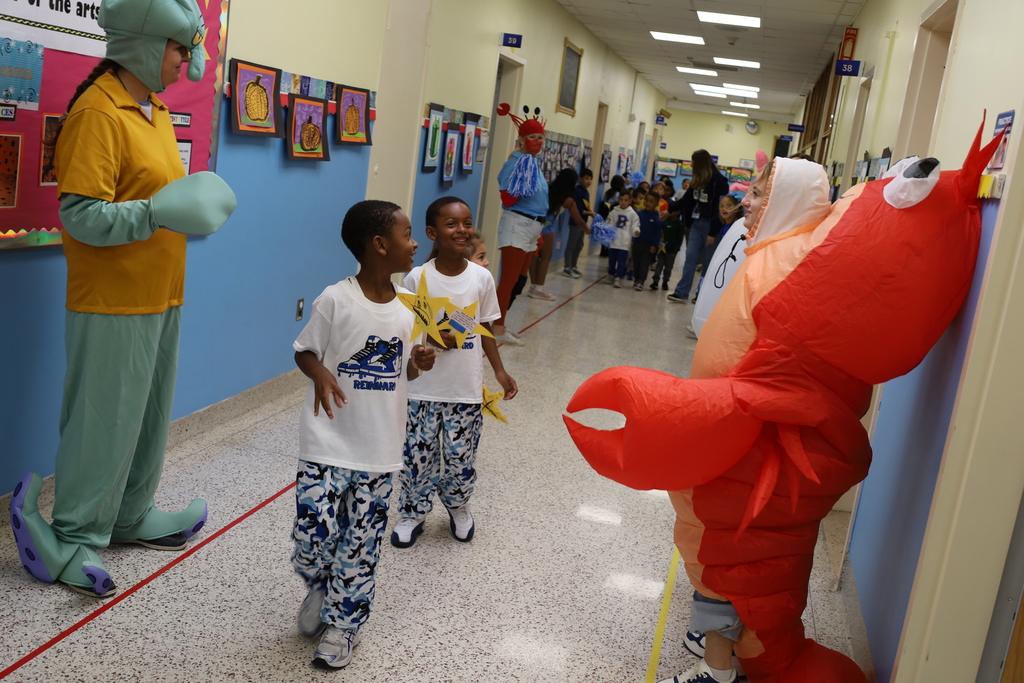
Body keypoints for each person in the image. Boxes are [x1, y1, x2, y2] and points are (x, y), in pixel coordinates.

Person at [10, 0, 237, 599]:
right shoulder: (96, 112)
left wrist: (184, 211)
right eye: (178, 49)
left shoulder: (153, 109)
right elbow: (79, 216)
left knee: (147, 416)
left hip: (161, 291)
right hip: (111, 299)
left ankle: (131, 514)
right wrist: (160, 211)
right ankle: (74, 533)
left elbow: (154, 195)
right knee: (102, 422)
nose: (185, 61)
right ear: (142, 43)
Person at [291, 200, 437, 670]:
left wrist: (415, 365)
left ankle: (343, 625)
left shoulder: (407, 312)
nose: (415, 243)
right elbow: (304, 351)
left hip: (378, 450)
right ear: (380, 245)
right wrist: (320, 374)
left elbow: (401, 376)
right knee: (312, 534)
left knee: (361, 542)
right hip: (326, 442)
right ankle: (321, 583)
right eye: (407, 234)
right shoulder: (335, 298)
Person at [392, 196, 518, 549]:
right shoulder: (417, 277)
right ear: (432, 232)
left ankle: (458, 507)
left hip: (464, 391)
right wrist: (432, 337)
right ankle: (413, 512)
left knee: (461, 456)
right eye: (451, 224)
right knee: (418, 455)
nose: (461, 230)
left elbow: (483, 326)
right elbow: (406, 324)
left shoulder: (481, 278)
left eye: (466, 223)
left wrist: (500, 371)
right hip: (423, 390)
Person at [493, 103, 548, 346]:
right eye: (532, 137)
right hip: (517, 224)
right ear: (522, 140)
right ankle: (496, 327)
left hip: (532, 227)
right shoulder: (515, 164)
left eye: (540, 137)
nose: (537, 141)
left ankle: (498, 323)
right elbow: (507, 197)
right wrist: (520, 180)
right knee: (508, 280)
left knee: (518, 280)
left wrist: (540, 231)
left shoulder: (533, 163)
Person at [667, 150, 730, 304]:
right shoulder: (697, 181)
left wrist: (713, 232)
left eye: (693, 163)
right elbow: (686, 201)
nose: (691, 165)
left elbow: (719, 209)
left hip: (711, 226)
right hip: (696, 223)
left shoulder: (718, 181)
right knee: (690, 258)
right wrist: (668, 210)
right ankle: (681, 292)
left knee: (707, 262)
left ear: (700, 164)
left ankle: (702, 295)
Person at [690, 195, 748, 336]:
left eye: (729, 205)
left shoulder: (738, 226)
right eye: (721, 205)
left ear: (737, 207)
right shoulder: (725, 226)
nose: (724, 209)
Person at [562, 168, 596, 278]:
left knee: (579, 245)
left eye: (590, 179)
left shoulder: (586, 192)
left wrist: (589, 213)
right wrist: (590, 213)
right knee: (571, 245)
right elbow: (578, 209)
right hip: (575, 223)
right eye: (586, 178)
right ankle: (567, 267)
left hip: (583, 222)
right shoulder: (577, 191)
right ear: (580, 179)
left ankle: (573, 266)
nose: (589, 181)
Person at [604, 189, 639, 288]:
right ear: (618, 200)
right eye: (621, 199)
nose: (623, 202)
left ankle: (618, 277)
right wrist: (608, 224)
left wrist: (636, 231)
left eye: (626, 200)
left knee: (622, 261)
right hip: (614, 241)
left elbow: (635, 225)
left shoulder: (632, 213)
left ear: (630, 201)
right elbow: (610, 223)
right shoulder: (614, 211)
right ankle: (611, 274)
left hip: (624, 242)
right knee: (612, 260)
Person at [631, 191, 662, 291]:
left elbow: (657, 233)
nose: (648, 203)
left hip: (648, 245)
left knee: (644, 264)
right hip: (637, 242)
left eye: (651, 202)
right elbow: (634, 226)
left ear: (656, 204)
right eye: (647, 200)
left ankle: (641, 281)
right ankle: (636, 279)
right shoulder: (639, 214)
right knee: (636, 262)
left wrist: (654, 245)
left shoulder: (657, 218)